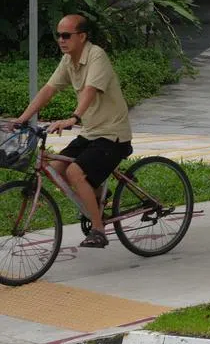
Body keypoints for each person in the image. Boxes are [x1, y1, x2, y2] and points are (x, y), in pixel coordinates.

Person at [15, 14, 132, 250]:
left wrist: (73, 118)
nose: (61, 40)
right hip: (91, 133)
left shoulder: (96, 56)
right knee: (56, 170)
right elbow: (49, 89)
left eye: (66, 35)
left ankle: (99, 230)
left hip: (112, 134)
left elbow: (89, 91)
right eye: (58, 35)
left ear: (82, 36)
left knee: (75, 173)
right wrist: (22, 119)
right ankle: (98, 195)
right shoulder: (69, 60)